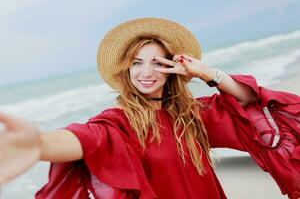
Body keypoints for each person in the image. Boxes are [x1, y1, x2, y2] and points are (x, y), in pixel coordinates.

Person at [0, 17, 299, 199]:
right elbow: (83, 139)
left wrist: (207, 74)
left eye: (158, 62)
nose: (146, 72)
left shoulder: (191, 115)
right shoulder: (119, 123)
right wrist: (39, 144)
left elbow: (249, 103)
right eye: (137, 63)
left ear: (172, 68)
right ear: (126, 71)